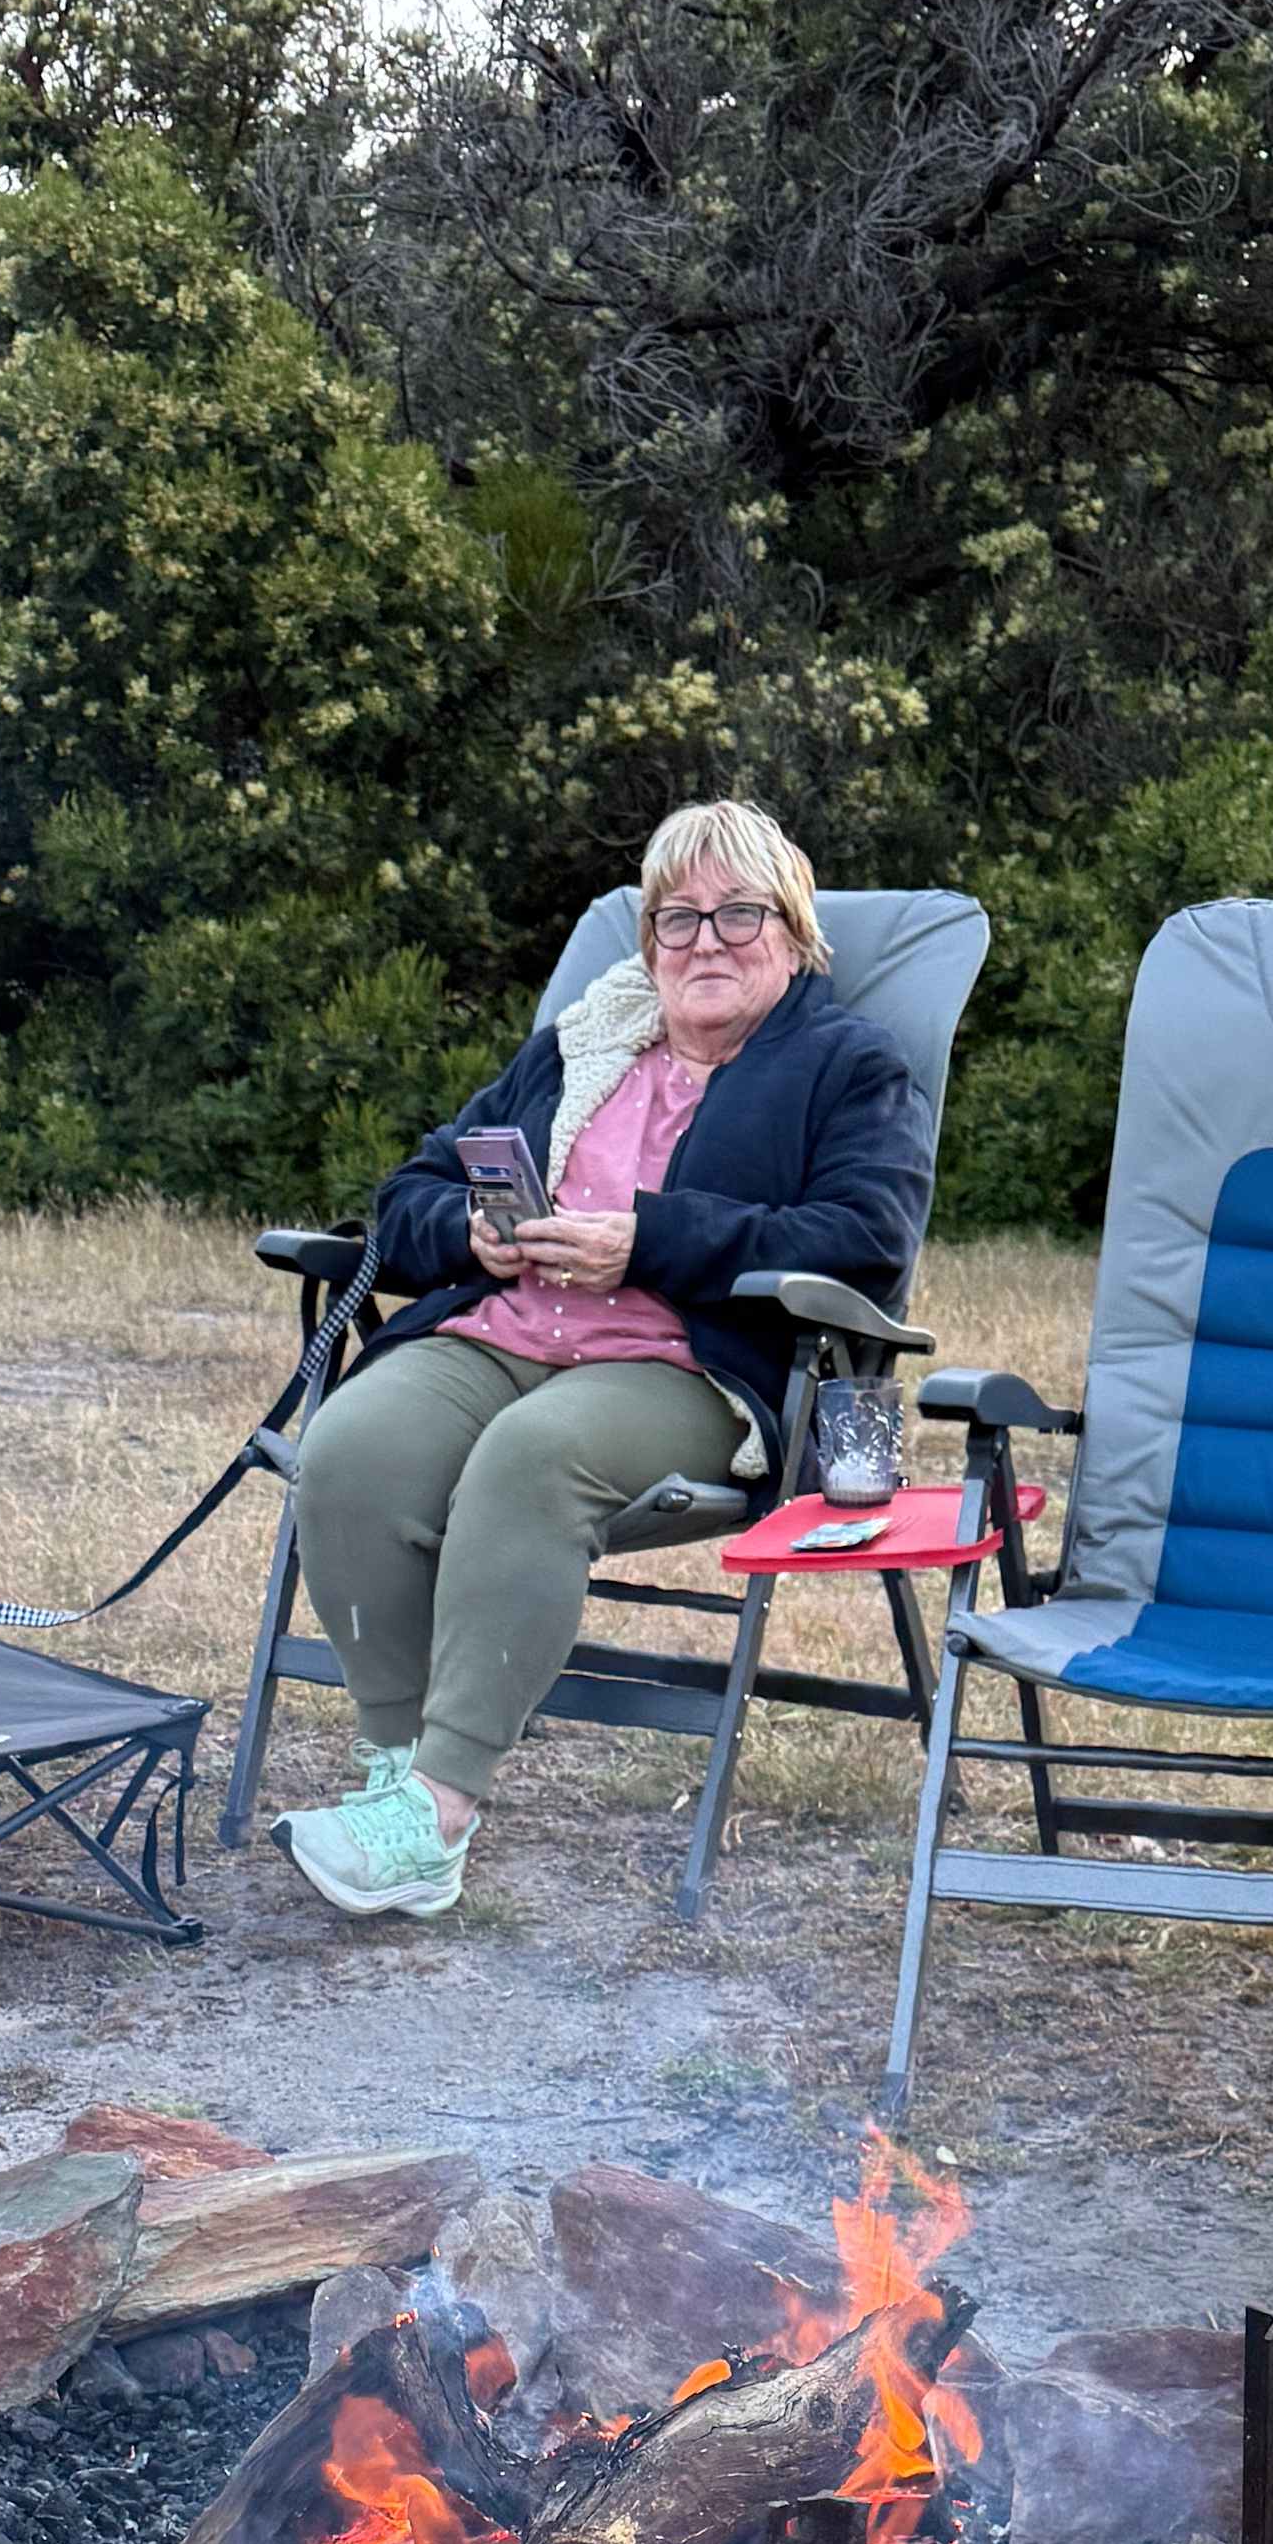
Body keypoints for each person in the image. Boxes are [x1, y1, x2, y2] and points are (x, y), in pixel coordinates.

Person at [275, 796, 928, 1921]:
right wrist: (466, 1233)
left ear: (794, 931)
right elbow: (412, 1189)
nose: (707, 943)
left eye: (738, 914)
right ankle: (390, 1773)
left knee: (532, 1458)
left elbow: (866, 1236)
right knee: (353, 1448)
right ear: (648, 945)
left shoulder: (846, 1066)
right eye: (677, 920)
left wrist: (653, 1238)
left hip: (689, 1363)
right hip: (509, 1328)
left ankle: (438, 1808)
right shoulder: (584, 1040)